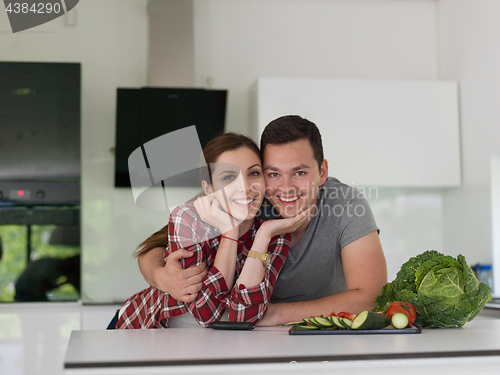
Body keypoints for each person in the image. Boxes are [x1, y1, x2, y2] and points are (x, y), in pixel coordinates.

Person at [138, 115, 388, 326]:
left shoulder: (346, 204)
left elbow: (370, 296)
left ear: (322, 172)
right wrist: (161, 276)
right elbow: (154, 246)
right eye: (273, 174)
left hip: (289, 331)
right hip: (181, 328)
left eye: (299, 173)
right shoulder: (246, 199)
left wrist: (276, 314)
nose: (286, 188)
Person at [114, 133, 309, 329]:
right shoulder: (188, 218)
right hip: (140, 329)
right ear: (208, 188)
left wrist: (263, 236)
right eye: (229, 177)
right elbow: (206, 313)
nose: (245, 187)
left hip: (204, 344)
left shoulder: (273, 232)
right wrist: (230, 233)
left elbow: (245, 318)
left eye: (254, 173)